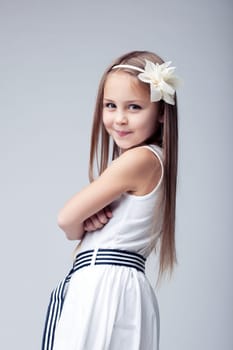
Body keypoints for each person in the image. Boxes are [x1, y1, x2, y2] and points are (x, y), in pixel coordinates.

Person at [41, 50, 180, 350]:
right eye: (110, 106)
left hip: (105, 290)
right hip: (106, 286)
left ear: (160, 112)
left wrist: (78, 226)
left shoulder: (141, 159)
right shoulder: (140, 161)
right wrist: (81, 223)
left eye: (134, 107)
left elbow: (66, 219)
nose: (119, 118)